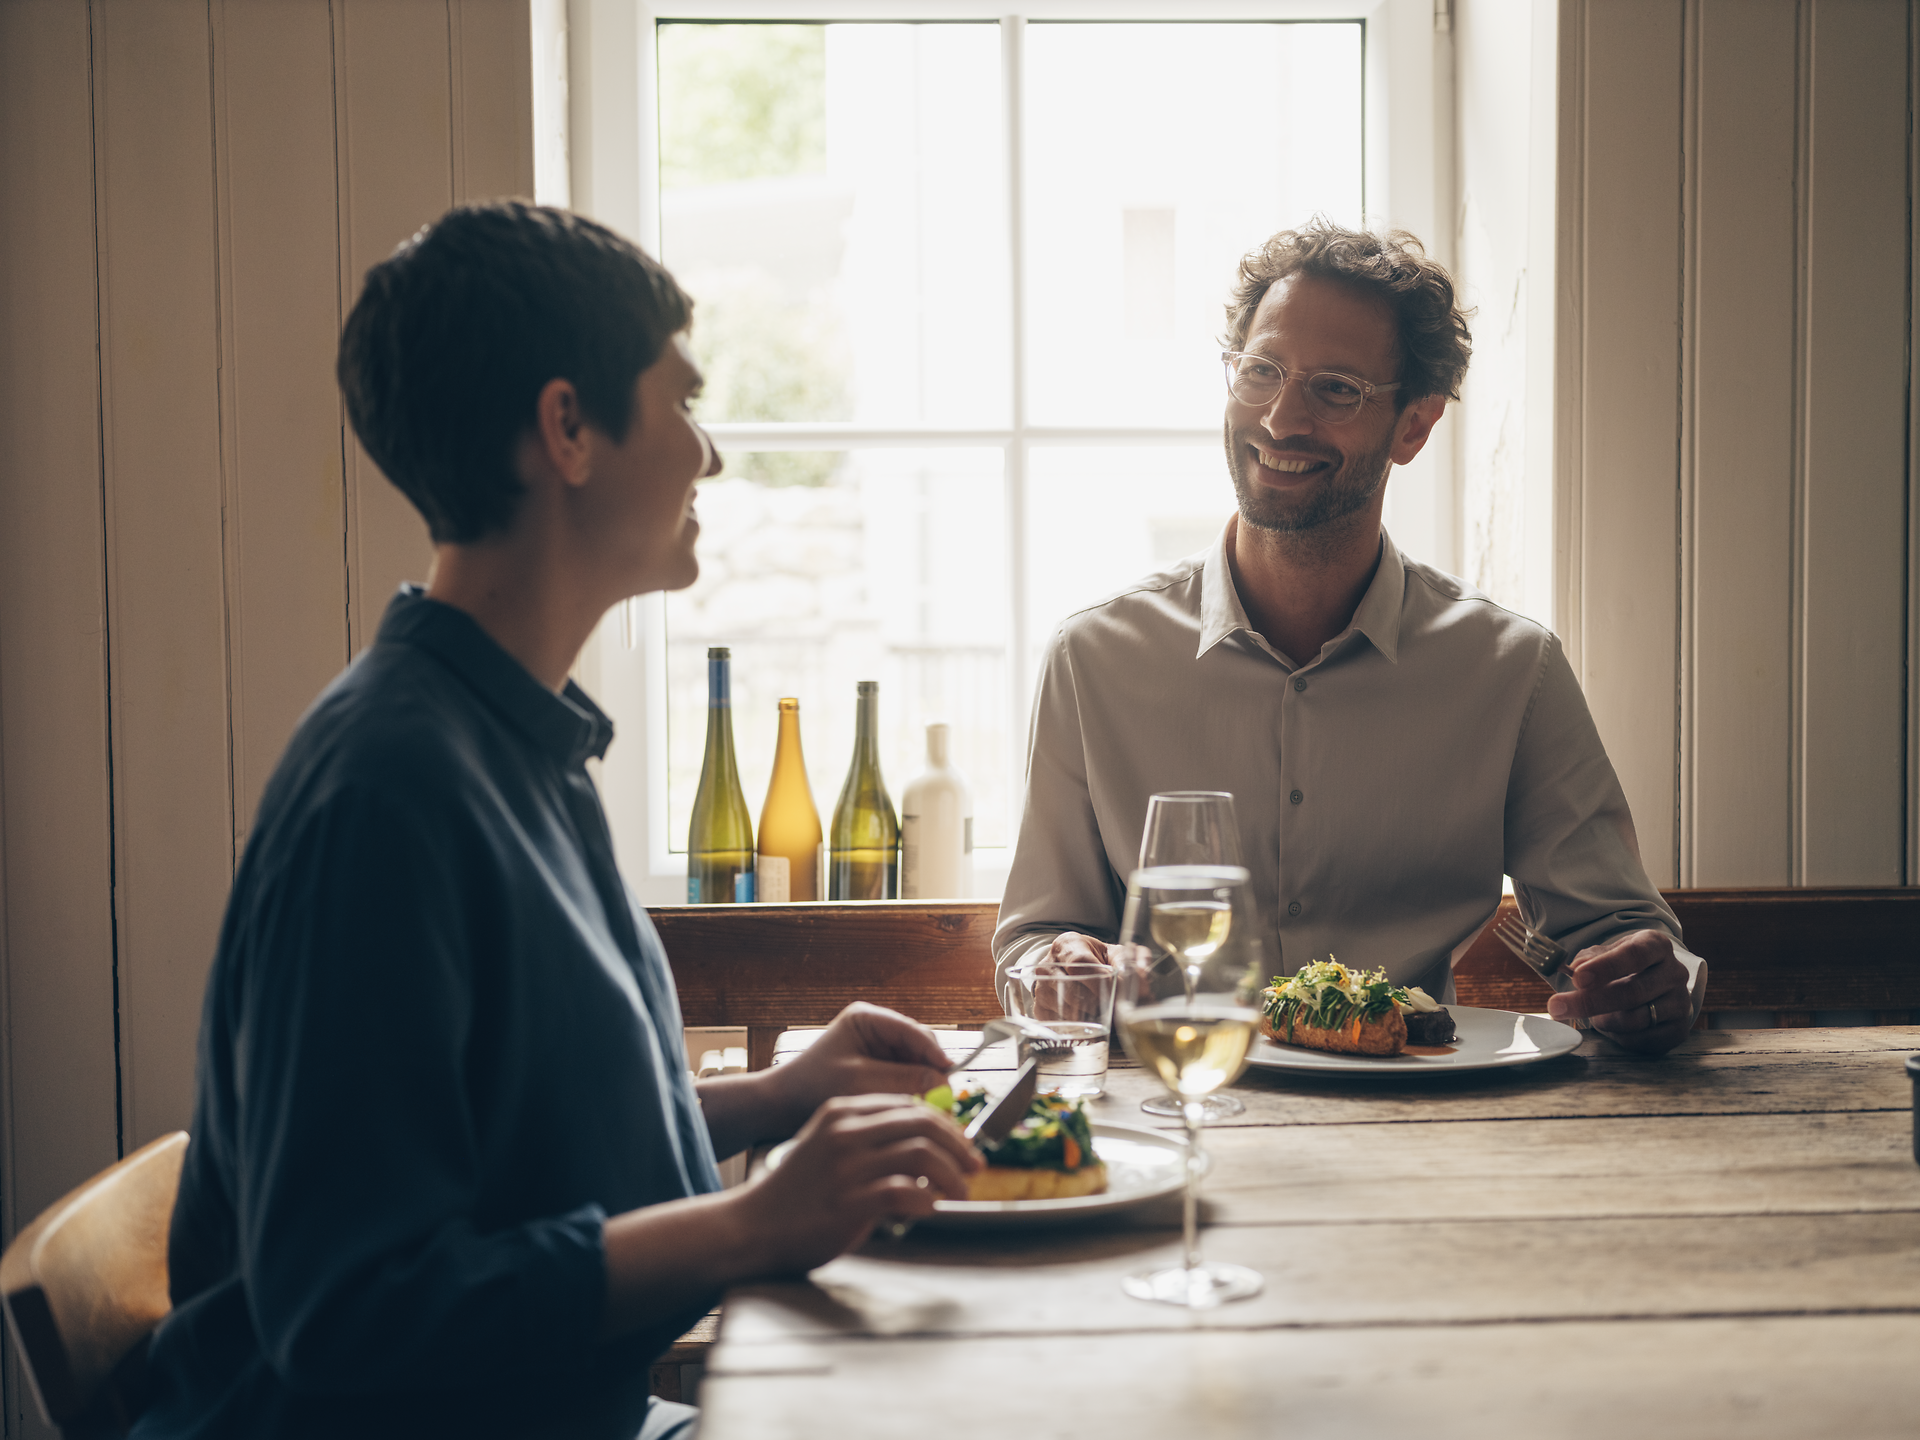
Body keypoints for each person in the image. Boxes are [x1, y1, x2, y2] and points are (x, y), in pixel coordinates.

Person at [134, 202, 979, 1440]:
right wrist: (752, 1222)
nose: (710, 453)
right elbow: (348, 1313)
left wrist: (782, 1094)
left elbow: (528, 1151)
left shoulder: (522, 735)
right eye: (683, 402)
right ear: (567, 427)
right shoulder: (385, 797)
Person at [993, 219, 1704, 1056]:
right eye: (1261, 372)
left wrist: (1648, 980)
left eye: (1334, 389)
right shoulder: (1094, 659)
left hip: (1422, 1119)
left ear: (1415, 425)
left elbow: (1624, 935)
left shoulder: (1513, 670)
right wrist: (1062, 964)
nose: (1280, 418)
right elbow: (1035, 940)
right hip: (1175, 1109)